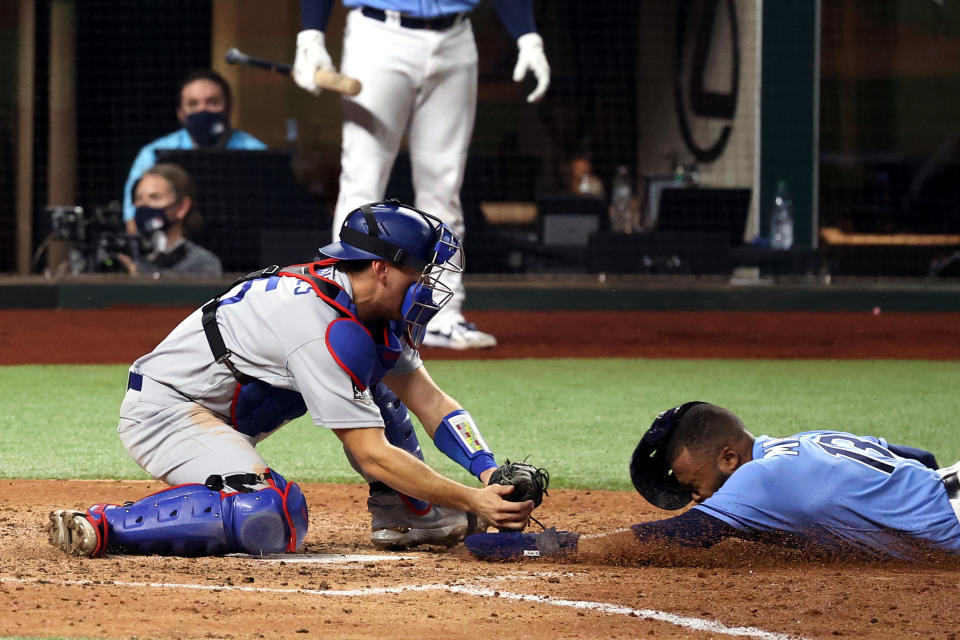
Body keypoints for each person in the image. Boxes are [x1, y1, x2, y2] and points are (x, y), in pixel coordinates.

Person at [46, 201, 534, 558]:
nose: (429, 286)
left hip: (216, 413)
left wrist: (489, 472)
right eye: (421, 273)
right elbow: (369, 451)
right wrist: (473, 500)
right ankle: (103, 526)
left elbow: (431, 402)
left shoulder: (368, 313)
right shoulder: (317, 323)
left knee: (380, 385)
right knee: (268, 515)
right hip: (166, 413)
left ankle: (409, 515)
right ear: (383, 270)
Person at [292, 0, 551, 349]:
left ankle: (442, 315)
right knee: (363, 181)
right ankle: (344, 308)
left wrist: (527, 35)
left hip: (456, 36)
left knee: (444, 186)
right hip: (379, 33)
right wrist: (311, 32)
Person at [465, 402, 960, 562]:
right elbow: (921, 457)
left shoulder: (762, 478)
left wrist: (541, 546)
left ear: (729, 457)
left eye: (694, 481)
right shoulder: (803, 441)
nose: (694, 496)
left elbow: (674, 538)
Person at [121, 69, 267, 234]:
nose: (202, 110)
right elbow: (132, 222)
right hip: (175, 252)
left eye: (212, 102)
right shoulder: (152, 154)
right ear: (180, 113)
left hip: (245, 247)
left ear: (229, 107)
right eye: (193, 104)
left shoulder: (257, 152)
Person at [116, 163, 223, 278]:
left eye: (154, 197)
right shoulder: (126, 258)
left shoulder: (203, 264)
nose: (143, 205)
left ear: (182, 207)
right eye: (139, 198)